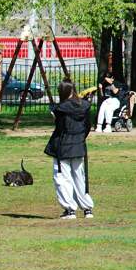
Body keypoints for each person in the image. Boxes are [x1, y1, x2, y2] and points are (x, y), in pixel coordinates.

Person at [44, 78, 95, 219]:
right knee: (80, 177)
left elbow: (60, 128)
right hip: (79, 145)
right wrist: (79, 139)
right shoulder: (85, 106)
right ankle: (87, 209)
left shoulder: (60, 109)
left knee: (62, 177)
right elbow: (87, 126)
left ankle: (70, 209)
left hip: (63, 147)